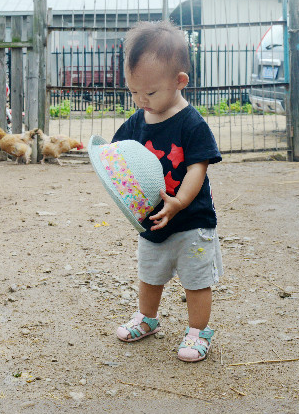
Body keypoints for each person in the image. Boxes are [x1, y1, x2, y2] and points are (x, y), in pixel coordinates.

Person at [112, 21, 222, 362]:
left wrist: (180, 202)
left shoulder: (191, 123)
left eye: (151, 93)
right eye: (133, 92)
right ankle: (147, 318)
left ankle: (198, 331)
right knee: (150, 272)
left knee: (196, 278)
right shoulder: (138, 120)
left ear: (179, 82)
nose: (142, 101)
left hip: (191, 218)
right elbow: (118, 154)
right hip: (153, 217)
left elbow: (197, 168)